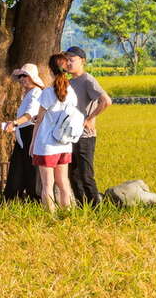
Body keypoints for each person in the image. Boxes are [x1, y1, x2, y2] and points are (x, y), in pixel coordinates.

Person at [32, 53, 83, 212]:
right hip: (64, 144)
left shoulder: (47, 93)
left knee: (47, 185)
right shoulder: (71, 93)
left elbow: (39, 120)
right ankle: (67, 214)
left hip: (46, 144)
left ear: (51, 70)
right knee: (63, 182)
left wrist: (32, 143)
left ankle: (50, 217)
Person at [61, 45, 112, 206]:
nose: (68, 63)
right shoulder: (68, 82)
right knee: (72, 175)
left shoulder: (87, 80)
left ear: (82, 61)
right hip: (69, 135)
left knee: (85, 175)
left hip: (85, 136)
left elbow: (106, 101)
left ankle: (96, 208)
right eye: (66, 60)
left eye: (72, 60)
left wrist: (90, 118)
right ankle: (83, 207)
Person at [0, 63, 44, 202]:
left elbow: (30, 114)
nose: (22, 78)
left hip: (30, 134)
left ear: (32, 77)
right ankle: (11, 198)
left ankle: (35, 199)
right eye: (20, 76)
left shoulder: (36, 92)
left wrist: (14, 123)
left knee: (31, 169)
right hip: (21, 135)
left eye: (25, 75)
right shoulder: (26, 93)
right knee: (16, 168)